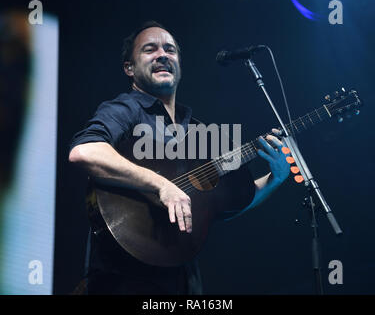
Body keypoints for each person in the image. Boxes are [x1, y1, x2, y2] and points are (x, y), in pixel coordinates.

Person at [68, 20, 290, 295]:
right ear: (129, 68)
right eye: (150, 49)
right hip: (122, 281)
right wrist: (161, 185)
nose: (162, 55)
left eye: (170, 50)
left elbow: (215, 209)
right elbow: (84, 151)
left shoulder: (197, 130)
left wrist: (274, 179)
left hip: (183, 281)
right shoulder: (125, 109)